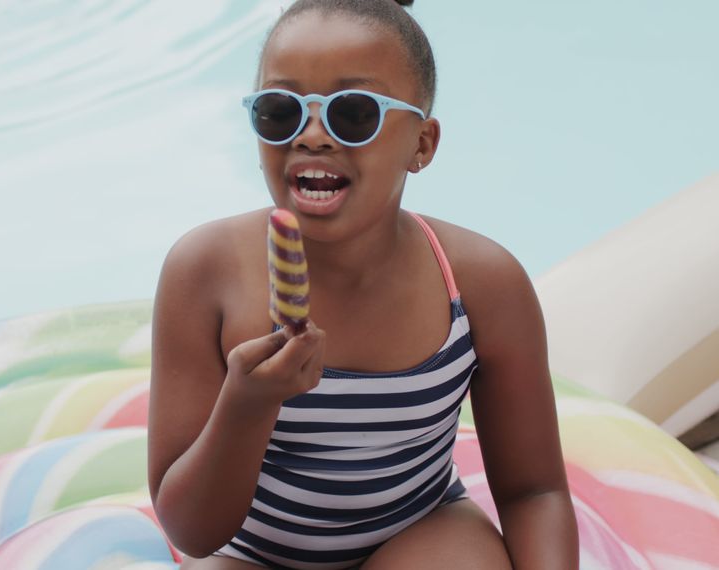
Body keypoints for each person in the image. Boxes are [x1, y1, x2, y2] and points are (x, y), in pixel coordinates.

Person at [147, 0, 579, 568]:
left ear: (421, 144)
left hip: (417, 532)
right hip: (251, 552)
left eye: (354, 113)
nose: (313, 136)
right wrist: (248, 406)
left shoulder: (479, 284)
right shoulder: (206, 273)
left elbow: (534, 491)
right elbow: (191, 531)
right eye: (281, 111)